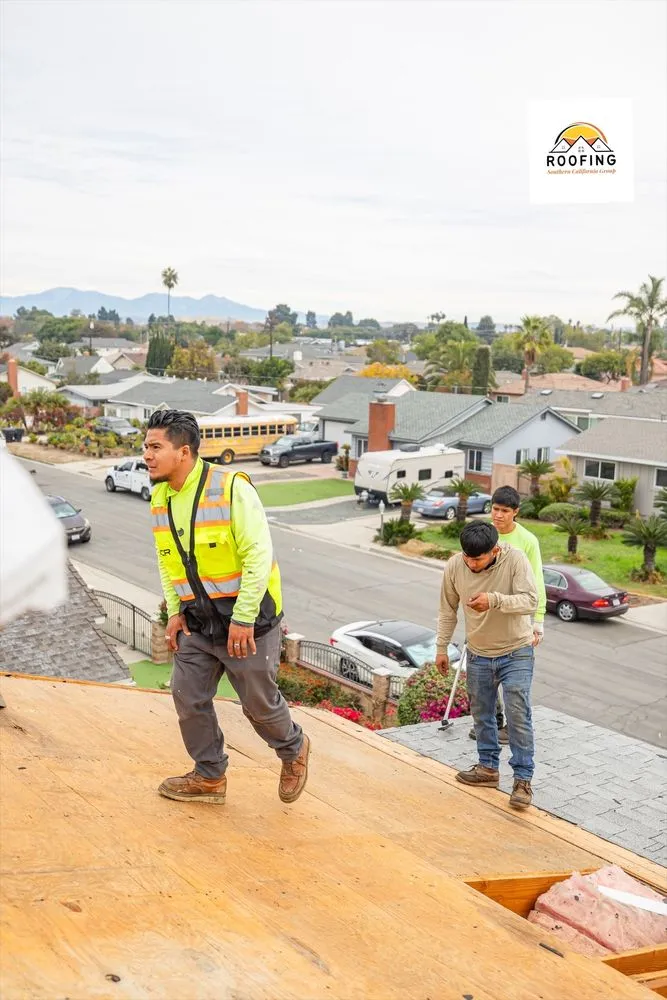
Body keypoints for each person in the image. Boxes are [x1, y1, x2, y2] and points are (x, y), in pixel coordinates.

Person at [144, 409, 309, 805]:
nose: (146, 455)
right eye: (145, 446)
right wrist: (175, 611)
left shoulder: (232, 487)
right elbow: (168, 560)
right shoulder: (161, 496)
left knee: (257, 702)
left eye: (155, 447)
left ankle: (293, 749)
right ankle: (209, 776)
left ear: (183, 452)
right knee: (187, 695)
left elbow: (257, 556)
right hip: (200, 623)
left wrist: (243, 619)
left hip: (248, 621)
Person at [435, 521, 538, 810]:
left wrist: (493, 600)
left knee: (518, 713)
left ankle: (522, 779)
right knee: (482, 713)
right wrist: (441, 647)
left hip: (516, 650)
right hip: (478, 653)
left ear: (494, 550)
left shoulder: (515, 559)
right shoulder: (455, 566)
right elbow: (447, 609)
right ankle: (488, 768)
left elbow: (531, 600)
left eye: (477, 559)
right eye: (466, 556)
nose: (470, 563)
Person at [468, 484, 547, 742]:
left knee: (513, 681)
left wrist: (538, 621)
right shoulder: (484, 534)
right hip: (485, 617)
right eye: (495, 509)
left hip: (515, 618)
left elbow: (536, 583)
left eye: (504, 510)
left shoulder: (527, 542)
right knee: (485, 679)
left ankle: (515, 727)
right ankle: (494, 722)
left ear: (516, 512)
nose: (498, 515)